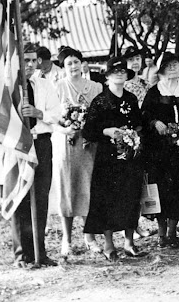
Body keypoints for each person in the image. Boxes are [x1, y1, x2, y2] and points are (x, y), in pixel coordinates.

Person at [82, 57, 148, 261]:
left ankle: (129, 243)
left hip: (130, 156)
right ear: (108, 75)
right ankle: (109, 245)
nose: (119, 74)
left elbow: (139, 123)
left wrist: (134, 133)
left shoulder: (131, 98)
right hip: (108, 159)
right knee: (108, 199)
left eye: (122, 71)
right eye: (115, 71)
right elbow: (88, 131)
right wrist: (107, 131)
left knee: (131, 196)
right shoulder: (100, 101)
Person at [141, 52, 179, 248]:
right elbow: (144, 115)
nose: (173, 69)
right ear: (161, 71)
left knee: (178, 188)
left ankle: (172, 231)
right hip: (159, 150)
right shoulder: (154, 92)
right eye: (168, 66)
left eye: (176, 65)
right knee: (161, 188)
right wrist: (155, 122)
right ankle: (161, 233)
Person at [8, 44, 61, 267]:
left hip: (42, 144)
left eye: (32, 60)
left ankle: (40, 251)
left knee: (40, 197)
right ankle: (22, 254)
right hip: (18, 145)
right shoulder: (9, 88)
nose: (29, 65)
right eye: (24, 60)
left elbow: (57, 114)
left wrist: (38, 114)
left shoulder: (44, 85)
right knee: (20, 197)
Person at [52, 46, 104, 257]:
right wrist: (67, 129)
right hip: (67, 143)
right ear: (63, 67)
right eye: (68, 63)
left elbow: (101, 116)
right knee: (67, 187)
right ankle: (67, 239)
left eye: (76, 62)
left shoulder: (95, 87)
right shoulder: (57, 88)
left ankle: (89, 236)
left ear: (82, 64)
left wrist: (89, 130)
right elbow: (51, 120)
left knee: (88, 187)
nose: (73, 67)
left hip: (89, 143)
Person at [122, 45, 152, 239]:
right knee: (129, 183)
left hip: (145, 134)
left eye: (137, 59)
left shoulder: (146, 84)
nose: (135, 62)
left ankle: (139, 222)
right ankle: (128, 226)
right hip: (127, 138)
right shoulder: (122, 85)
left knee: (143, 180)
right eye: (131, 59)